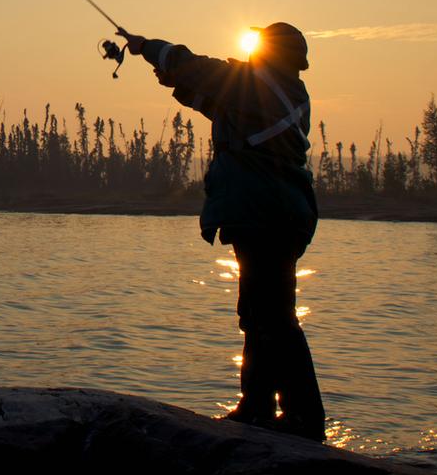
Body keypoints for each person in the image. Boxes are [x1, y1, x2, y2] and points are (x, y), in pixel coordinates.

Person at [118, 22, 326, 442]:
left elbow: (194, 66)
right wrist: (174, 82)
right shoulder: (278, 92)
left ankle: (303, 418)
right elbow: (212, 100)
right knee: (258, 313)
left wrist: (147, 48)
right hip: (275, 214)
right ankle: (258, 407)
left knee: (274, 317)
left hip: (266, 214)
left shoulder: (257, 85)